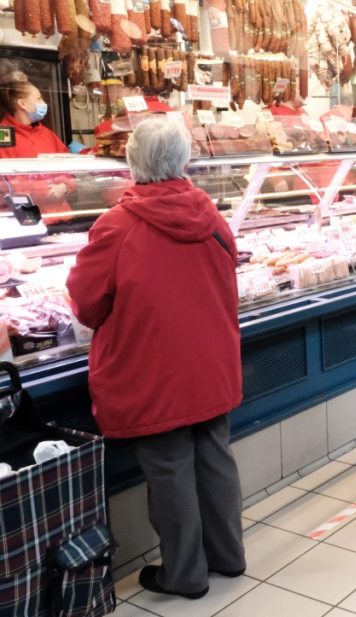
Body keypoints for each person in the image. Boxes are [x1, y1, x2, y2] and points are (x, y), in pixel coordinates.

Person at [66, 118, 246, 599]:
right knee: (215, 457)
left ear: (132, 161)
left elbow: (85, 304)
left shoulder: (116, 226)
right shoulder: (211, 215)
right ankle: (228, 556)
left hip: (153, 371)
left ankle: (184, 575)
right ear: (184, 160)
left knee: (169, 468)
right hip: (211, 362)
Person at [0, 74, 75, 220]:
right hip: (27, 220)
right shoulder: (3, 135)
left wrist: (66, 186)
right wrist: (44, 190)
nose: (44, 103)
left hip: (62, 217)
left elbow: (70, 170)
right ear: (22, 103)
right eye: (39, 98)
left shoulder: (48, 134)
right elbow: (7, 184)